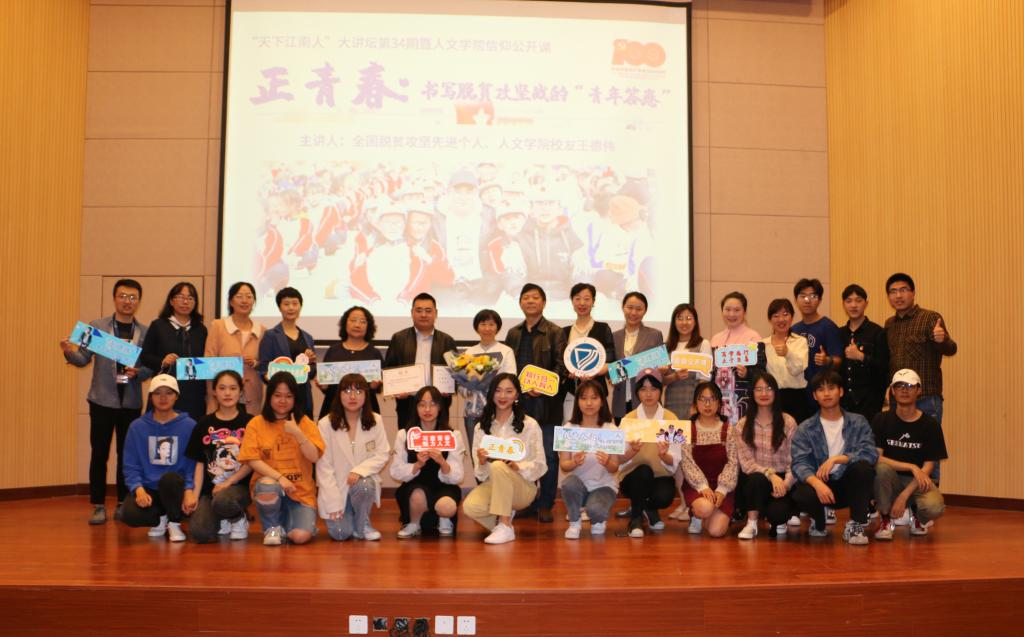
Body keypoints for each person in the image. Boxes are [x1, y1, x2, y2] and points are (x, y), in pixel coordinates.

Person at [61, 278, 151, 525]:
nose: (127, 301)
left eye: (132, 297)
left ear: (138, 301)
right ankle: (98, 505)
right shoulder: (97, 327)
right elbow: (82, 359)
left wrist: (139, 373)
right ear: (114, 298)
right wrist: (68, 351)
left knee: (126, 455)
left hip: (130, 402)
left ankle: (122, 502)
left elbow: (150, 368)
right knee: (99, 454)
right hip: (102, 400)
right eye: (123, 296)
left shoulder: (144, 332)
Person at [884, 272, 957, 483]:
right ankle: (904, 498)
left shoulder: (930, 318)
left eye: (903, 290)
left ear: (913, 293)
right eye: (893, 292)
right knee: (899, 449)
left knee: (929, 452)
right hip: (897, 401)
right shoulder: (889, 324)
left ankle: (928, 498)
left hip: (927, 398)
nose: (898, 296)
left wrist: (942, 340)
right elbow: (889, 362)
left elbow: (951, 349)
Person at [790, 370, 879, 545]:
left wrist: (838, 459)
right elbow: (799, 463)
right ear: (815, 396)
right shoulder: (806, 427)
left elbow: (870, 452)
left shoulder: (858, 421)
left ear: (841, 391)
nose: (826, 393)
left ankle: (855, 525)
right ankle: (819, 521)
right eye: (821, 390)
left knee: (863, 469)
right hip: (820, 486)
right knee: (802, 492)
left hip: (847, 484)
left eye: (831, 388)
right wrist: (818, 484)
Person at [503, 283, 567, 523]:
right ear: (520, 302)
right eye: (526, 297)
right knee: (523, 454)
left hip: (547, 405)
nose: (530, 301)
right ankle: (526, 500)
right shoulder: (513, 333)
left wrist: (544, 386)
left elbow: (561, 366)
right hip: (519, 405)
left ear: (544, 302)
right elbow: (508, 369)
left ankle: (546, 503)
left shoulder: (555, 332)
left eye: (535, 297)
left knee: (548, 456)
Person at [238, 372, 325, 546]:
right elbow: (252, 460)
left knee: (300, 537)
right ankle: (272, 528)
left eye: (288, 396)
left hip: (301, 493)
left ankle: (284, 523)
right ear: (269, 396)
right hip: (270, 487)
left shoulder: (305, 423)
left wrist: (298, 434)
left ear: (295, 398)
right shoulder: (256, 423)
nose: (283, 401)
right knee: (267, 485)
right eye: (277, 395)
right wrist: (280, 478)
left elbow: (314, 457)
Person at [463, 373, 547, 544]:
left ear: (517, 395)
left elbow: (541, 465)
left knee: (498, 466)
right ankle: (503, 520)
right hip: (494, 484)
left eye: (509, 391)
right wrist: (482, 462)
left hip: (523, 487)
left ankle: (505, 524)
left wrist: (519, 467)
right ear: (491, 393)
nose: (502, 396)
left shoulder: (529, 425)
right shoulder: (481, 427)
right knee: (471, 506)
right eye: (498, 390)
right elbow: (481, 475)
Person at [119, 375, 198, 542]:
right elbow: (130, 465)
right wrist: (138, 489)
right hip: (150, 488)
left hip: (175, 489)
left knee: (170, 479)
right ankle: (161, 518)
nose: (163, 398)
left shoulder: (189, 425)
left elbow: (192, 464)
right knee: (128, 514)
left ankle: (174, 522)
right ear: (151, 397)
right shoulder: (137, 427)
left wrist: (189, 489)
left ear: (176, 396)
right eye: (157, 393)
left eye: (169, 393)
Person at [872, 369, 947, 540]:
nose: (904, 390)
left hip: (917, 482)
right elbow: (877, 458)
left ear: (919, 390)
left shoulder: (931, 424)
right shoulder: (881, 419)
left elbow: (929, 466)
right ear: (892, 390)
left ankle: (916, 514)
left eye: (910, 386)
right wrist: (911, 467)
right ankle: (885, 519)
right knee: (881, 469)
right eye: (899, 386)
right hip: (891, 479)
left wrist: (904, 495)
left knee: (935, 508)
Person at [316, 373, 390, 542]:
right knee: (340, 534)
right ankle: (354, 520)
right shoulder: (325, 424)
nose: (352, 396)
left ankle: (363, 523)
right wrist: (333, 501)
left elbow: (383, 453)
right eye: (347, 391)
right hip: (337, 488)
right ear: (339, 394)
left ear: (366, 395)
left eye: (358, 391)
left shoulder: (376, 420)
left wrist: (359, 471)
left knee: (365, 486)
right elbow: (323, 466)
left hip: (360, 484)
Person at [185, 370, 253, 543]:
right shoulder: (203, 423)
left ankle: (237, 518)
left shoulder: (251, 423)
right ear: (214, 392)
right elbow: (200, 463)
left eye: (233, 388)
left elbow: (252, 461)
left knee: (224, 501)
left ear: (241, 391)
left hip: (239, 488)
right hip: (211, 490)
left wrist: (228, 483)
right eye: (222, 388)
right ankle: (224, 516)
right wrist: (195, 495)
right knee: (199, 532)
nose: (227, 393)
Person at [390, 385, 466, 538]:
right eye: (422, 404)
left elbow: (458, 476)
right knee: (417, 494)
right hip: (415, 489)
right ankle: (414, 523)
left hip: (444, 487)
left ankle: (444, 520)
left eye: (433, 404)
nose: (427, 409)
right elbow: (395, 472)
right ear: (416, 407)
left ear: (440, 407)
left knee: (446, 506)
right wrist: (417, 465)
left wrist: (442, 462)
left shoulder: (453, 435)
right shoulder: (405, 435)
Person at [618, 369, 682, 538]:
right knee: (643, 471)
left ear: (660, 390)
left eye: (653, 389)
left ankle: (648, 507)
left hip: (660, 476)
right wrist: (632, 451)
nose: (648, 394)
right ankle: (636, 519)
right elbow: (618, 460)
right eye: (643, 389)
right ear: (637, 392)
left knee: (665, 496)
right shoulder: (628, 420)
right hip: (633, 478)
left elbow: (675, 459)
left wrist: (664, 455)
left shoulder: (671, 419)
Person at [735, 372, 798, 540]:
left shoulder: (788, 422)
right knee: (755, 479)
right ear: (752, 393)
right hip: (757, 479)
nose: (764, 393)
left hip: (782, 479)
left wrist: (786, 484)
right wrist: (770, 475)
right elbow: (746, 463)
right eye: (759, 389)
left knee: (778, 515)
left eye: (769, 389)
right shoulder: (742, 425)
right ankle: (752, 523)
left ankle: (778, 518)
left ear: (776, 392)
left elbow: (795, 460)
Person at [383, 292, 458, 425]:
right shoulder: (399, 339)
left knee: (437, 437)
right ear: (412, 313)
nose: (423, 315)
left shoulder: (447, 341)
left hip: (438, 404)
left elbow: (456, 372)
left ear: (436, 313)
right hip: (408, 404)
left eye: (428, 311)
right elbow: (389, 368)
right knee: (408, 437)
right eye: (419, 310)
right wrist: (395, 389)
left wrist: (450, 388)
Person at [559, 380, 620, 539]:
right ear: (577, 401)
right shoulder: (569, 428)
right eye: (584, 398)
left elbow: (615, 467)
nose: (589, 403)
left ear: (602, 401)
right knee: (568, 484)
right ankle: (575, 522)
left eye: (594, 398)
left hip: (603, 486)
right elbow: (564, 465)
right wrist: (574, 462)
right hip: (579, 485)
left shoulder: (610, 428)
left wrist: (607, 462)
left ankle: (599, 520)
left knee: (596, 510)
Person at [140, 282, 208, 421]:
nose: (185, 302)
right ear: (171, 301)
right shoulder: (158, 325)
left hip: (194, 393)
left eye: (190, 298)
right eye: (180, 297)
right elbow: (145, 356)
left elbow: (206, 361)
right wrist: (163, 361)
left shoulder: (201, 329)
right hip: (165, 391)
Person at [680, 381, 738, 538]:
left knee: (716, 531)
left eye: (712, 399)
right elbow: (687, 463)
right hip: (697, 486)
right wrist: (703, 487)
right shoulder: (687, 428)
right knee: (705, 508)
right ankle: (697, 515)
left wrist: (722, 490)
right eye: (702, 399)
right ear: (695, 403)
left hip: (722, 486)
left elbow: (733, 462)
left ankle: (710, 515)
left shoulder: (728, 429)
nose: (707, 404)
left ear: (719, 403)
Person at [204, 281, 266, 415]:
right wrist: (212, 394)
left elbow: (266, 364)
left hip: (252, 396)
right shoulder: (218, 326)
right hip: (222, 396)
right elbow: (208, 362)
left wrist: (255, 363)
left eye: (249, 296)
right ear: (231, 301)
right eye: (239, 296)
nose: (244, 301)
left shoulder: (262, 330)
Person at [460, 309, 517, 449]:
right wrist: (468, 387)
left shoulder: (506, 351)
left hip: (498, 413)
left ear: (497, 327)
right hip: (473, 413)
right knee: (476, 455)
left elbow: (511, 382)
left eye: (491, 324)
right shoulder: (468, 353)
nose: (487, 328)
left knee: (498, 454)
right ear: (477, 327)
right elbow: (462, 387)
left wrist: (488, 383)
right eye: (483, 324)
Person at [257, 287, 317, 418]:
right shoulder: (270, 336)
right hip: (280, 399)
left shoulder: (308, 337)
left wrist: (309, 365)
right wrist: (275, 379)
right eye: (286, 304)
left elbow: (312, 370)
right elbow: (264, 369)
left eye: (295, 303)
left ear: (300, 306)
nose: (291, 308)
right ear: (279, 307)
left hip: (303, 396)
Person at [561, 282, 616, 421]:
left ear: (593, 302)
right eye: (577, 298)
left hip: (596, 394)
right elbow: (561, 363)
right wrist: (568, 372)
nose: (582, 303)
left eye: (587, 299)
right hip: (571, 394)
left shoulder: (603, 329)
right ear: (572, 301)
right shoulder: (564, 332)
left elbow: (611, 362)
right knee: (571, 430)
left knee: (597, 430)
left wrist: (593, 371)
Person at [318, 306, 384, 419]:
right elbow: (328, 389)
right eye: (353, 320)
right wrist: (323, 387)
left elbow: (378, 389)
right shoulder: (333, 351)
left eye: (362, 321)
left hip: (365, 412)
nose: (357, 325)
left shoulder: (374, 353)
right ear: (345, 323)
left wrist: (374, 386)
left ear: (368, 326)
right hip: (334, 411)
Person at [710, 291, 764, 425]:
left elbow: (761, 372)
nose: (731, 314)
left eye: (737, 310)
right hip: (718, 401)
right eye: (727, 309)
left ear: (744, 312)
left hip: (743, 401)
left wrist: (747, 373)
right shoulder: (716, 339)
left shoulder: (753, 338)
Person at [791, 278, 843, 411]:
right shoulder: (794, 330)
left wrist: (827, 360)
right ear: (796, 300)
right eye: (803, 296)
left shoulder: (828, 327)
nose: (807, 300)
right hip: (798, 393)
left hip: (821, 394)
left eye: (813, 296)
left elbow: (839, 360)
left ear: (819, 300)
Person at [839, 284, 890, 421]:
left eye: (858, 300)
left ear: (866, 304)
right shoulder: (839, 333)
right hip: (843, 403)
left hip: (870, 403)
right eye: (849, 301)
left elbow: (884, 367)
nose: (853, 305)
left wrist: (862, 357)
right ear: (843, 304)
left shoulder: (878, 332)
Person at [611, 291, 664, 420]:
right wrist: (610, 374)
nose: (634, 313)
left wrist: (662, 369)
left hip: (647, 401)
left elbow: (661, 369)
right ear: (623, 307)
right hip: (620, 401)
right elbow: (611, 370)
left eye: (639, 309)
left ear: (645, 311)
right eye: (630, 307)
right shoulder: (614, 337)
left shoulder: (655, 335)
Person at [761, 298, 811, 423]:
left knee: (797, 433)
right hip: (771, 397)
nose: (781, 319)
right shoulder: (762, 344)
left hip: (796, 398)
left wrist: (788, 353)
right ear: (769, 319)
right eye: (776, 316)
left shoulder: (800, 341)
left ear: (792, 317)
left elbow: (797, 369)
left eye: (785, 314)